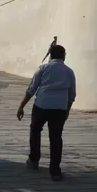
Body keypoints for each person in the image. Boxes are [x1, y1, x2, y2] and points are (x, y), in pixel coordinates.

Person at [17, 44, 76, 181]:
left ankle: (34, 160)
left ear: (50, 55)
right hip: (59, 108)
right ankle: (55, 171)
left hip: (41, 105)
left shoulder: (43, 68)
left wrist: (21, 106)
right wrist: (67, 110)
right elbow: (72, 94)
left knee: (35, 130)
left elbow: (32, 89)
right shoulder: (69, 72)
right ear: (64, 56)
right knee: (56, 137)